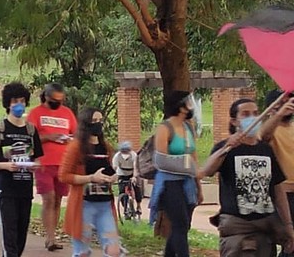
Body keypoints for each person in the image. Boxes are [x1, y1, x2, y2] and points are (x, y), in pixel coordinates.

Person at [200, 98, 294, 256]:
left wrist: (288, 225)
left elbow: (277, 190)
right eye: (245, 114)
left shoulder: (265, 150)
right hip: (236, 227)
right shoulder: (225, 148)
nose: (253, 117)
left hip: (265, 227)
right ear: (234, 121)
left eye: (256, 113)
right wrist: (227, 147)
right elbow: (207, 170)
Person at [0, 82, 44, 257]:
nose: (18, 105)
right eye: (14, 101)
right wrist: (6, 166)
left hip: (25, 189)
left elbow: (37, 158)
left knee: (20, 237)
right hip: (5, 189)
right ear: (7, 104)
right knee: (8, 237)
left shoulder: (31, 131)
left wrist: (35, 166)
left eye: (22, 101)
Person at [58, 107, 120, 257]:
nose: (98, 124)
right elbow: (64, 175)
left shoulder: (106, 147)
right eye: (94, 121)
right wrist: (91, 178)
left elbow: (112, 169)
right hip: (84, 204)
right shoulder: (76, 147)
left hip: (104, 204)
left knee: (113, 250)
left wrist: (113, 177)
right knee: (82, 252)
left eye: (100, 121)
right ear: (86, 124)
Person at [149, 90, 202, 257]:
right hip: (169, 182)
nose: (191, 106)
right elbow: (161, 160)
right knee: (180, 223)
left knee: (184, 225)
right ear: (180, 106)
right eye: (188, 102)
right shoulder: (165, 128)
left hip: (187, 183)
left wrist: (198, 185)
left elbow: (194, 157)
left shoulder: (188, 126)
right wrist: (186, 165)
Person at [27, 82, 77, 251]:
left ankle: (53, 235)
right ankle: (49, 238)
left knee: (57, 200)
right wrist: (49, 137)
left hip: (63, 163)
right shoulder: (36, 113)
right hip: (44, 162)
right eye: (55, 100)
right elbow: (29, 137)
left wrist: (70, 140)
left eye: (61, 100)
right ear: (47, 97)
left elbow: (75, 134)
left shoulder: (67, 113)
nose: (58, 103)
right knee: (48, 198)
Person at [261, 90, 294, 257]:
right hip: (281, 196)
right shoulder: (270, 129)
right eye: (282, 103)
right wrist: (278, 114)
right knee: (286, 241)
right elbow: (262, 136)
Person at [112, 141, 143, 212]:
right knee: (121, 190)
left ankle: (138, 206)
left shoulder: (134, 155)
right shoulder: (117, 156)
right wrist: (113, 177)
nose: (125, 153)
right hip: (121, 173)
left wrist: (134, 177)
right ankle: (125, 208)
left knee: (137, 187)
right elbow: (114, 167)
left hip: (132, 173)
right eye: (123, 151)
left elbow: (135, 167)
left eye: (127, 151)